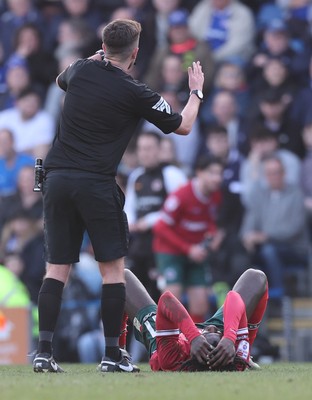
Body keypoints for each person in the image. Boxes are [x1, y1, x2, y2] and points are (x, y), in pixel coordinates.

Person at [32, 18, 205, 374]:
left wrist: (96, 58)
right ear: (136, 53)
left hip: (57, 178)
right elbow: (183, 125)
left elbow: (59, 79)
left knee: (56, 269)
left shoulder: (80, 70)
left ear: (103, 45)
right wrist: (196, 92)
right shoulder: (135, 91)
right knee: (113, 270)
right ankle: (112, 356)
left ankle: (43, 354)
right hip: (95, 183)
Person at [124, 266, 268, 371]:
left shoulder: (172, 357)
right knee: (256, 277)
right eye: (216, 332)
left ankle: (119, 353)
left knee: (122, 278)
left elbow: (167, 300)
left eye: (208, 334)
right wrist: (230, 338)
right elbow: (233, 297)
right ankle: (247, 352)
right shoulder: (236, 357)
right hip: (221, 340)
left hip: (165, 341)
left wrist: (194, 336)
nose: (211, 327)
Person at [153, 155, 225, 323]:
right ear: (199, 173)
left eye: (220, 173)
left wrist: (213, 234)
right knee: (172, 302)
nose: (217, 178)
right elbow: (160, 227)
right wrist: (188, 249)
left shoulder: (215, 196)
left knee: (201, 303)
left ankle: (192, 345)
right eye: (212, 173)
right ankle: (168, 345)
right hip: (171, 253)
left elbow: (210, 221)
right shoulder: (181, 196)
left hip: (196, 253)